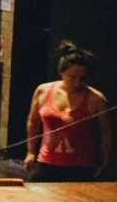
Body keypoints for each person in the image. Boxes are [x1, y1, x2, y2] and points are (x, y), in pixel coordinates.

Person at [24, 41, 112, 182]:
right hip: (47, 162)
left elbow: (106, 134)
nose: (78, 83)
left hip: (81, 166)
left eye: (83, 78)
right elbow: (33, 122)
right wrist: (31, 152)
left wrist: (104, 163)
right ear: (61, 72)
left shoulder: (96, 99)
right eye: (72, 77)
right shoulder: (43, 91)